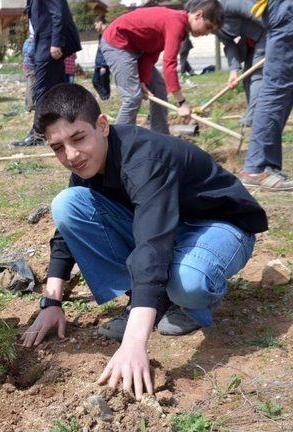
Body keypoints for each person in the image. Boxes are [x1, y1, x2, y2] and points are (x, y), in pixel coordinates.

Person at [22, 83, 267, 400]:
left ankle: (189, 300)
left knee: (188, 283)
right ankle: (153, 298)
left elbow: (152, 245)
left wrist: (135, 342)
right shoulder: (88, 161)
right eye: (58, 147)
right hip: (168, 223)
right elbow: (67, 233)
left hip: (218, 224)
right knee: (69, 204)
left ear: (102, 125)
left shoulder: (144, 159)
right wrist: (52, 302)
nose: (70, 155)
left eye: (78, 138)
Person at [100, 0, 223, 134]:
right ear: (198, 15)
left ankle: (161, 136)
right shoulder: (176, 23)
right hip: (117, 43)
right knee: (132, 98)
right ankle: (118, 145)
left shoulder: (179, 28)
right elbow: (169, 65)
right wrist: (181, 102)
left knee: (158, 87)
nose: (207, 33)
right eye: (208, 27)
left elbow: (152, 51)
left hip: (136, 48)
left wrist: (143, 79)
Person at [240, 0, 293, 191]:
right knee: (278, 88)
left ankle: (261, 166)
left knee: (281, 89)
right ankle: (258, 168)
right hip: (286, 8)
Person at [12, 0, 81, 147]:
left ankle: (38, 133)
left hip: (48, 45)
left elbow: (59, 12)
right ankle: (63, 126)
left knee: (42, 89)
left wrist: (56, 42)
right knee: (56, 88)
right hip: (43, 44)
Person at [214, 0, 265, 128]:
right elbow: (228, 43)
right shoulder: (212, 22)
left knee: (257, 75)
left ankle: (254, 117)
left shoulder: (229, 4)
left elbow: (263, 17)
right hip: (251, 41)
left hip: (267, 34)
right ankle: (257, 114)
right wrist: (233, 71)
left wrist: (282, 35)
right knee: (247, 78)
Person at [92, 15, 110, 101]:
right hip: (98, 63)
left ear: (100, 22)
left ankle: (106, 97)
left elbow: (107, 50)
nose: (95, 27)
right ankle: (104, 97)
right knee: (95, 81)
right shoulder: (101, 35)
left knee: (104, 81)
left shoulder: (108, 33)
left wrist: (104, 65)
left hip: (103, 64)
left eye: (95, 24)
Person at [22, 31, 36, 112]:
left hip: (26, 65)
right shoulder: (33, 41)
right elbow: (31, 53)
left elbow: (24, 52)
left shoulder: (27, 41)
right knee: (31, 86)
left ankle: (28, 106)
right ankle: (31, 106)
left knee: (28, 85)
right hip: (31, 66)